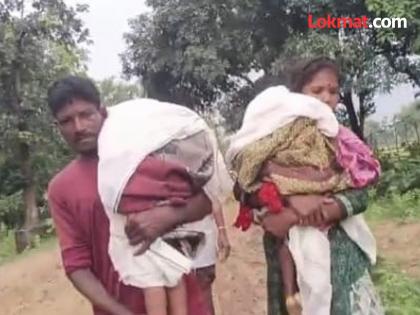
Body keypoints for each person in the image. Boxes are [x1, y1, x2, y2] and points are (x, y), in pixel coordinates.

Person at [46, 76, 221, 315]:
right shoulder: (61, 188)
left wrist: (166, 217)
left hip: (183, 300)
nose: (78, 127)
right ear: (57, 127)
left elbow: (206, 201)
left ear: (102, 111)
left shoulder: (146, 153)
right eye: (67, 120)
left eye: (86, 114)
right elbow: (76, 265)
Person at [236, 57, 383, 315]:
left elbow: (360, 193)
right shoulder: (271, 132)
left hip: (341, 257)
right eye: (317, 90)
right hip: (286, 258)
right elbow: (243, 187)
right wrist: (287, 197)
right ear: (297, 94)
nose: (326, 98)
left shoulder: (342, 139)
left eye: (333, 91)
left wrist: (301, 214)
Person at [97, 98, 232, 315]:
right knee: (174, 279)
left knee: (179, 285)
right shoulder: (134, 168)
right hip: (175, 246)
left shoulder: (127, 171)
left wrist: (221, 231)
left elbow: (210, 200)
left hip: (187, 243)